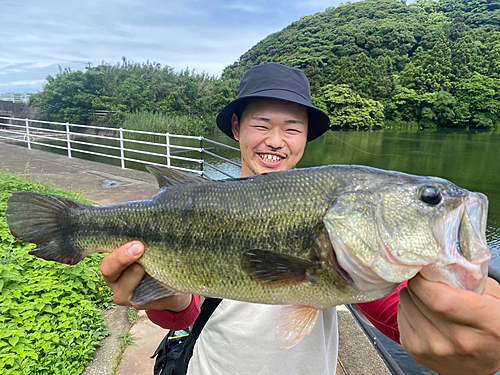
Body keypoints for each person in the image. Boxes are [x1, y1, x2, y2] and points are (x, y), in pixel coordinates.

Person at [100, 63, 500, 375]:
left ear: (306, 138)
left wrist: (459, 337)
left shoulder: (352, 251)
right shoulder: (199, 205)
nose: (276, 140)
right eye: (261, 125)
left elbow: (399, 316)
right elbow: (188, 310)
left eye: (293, 129)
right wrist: (167, 297)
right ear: (237, 128)